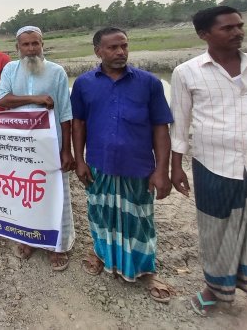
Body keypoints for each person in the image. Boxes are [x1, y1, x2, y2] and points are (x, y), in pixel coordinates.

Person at [170, 6, 247, 316]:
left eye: (239, 26)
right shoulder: (187, 72)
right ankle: (214, 289)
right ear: (204, 35)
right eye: (227, 28)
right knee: (214, 230)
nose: (237, 32)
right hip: (213, 164)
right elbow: (180, 123)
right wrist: (175, 166)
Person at [71, 27, 173, 302]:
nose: (120, 52)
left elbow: (160, 127)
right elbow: (78, 124)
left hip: (137, 166)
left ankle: (145, 270)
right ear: (98, 51)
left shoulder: (149, 83)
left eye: (124, 46)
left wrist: (162, 169)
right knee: (100, 214)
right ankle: (101, 253)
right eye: (113, 48)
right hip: (99, 164)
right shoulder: (83, 84)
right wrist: (79, 160)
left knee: (140, 219)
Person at [0, 25, 75, 271]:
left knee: (55, 193)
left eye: (35, 44)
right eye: (26, 45)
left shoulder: (57, 71)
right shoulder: (10, 69)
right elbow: (1, 99)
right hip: (21, 146)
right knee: (25, 191)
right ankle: (28, 239)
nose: (31, 49)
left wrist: (67, 150)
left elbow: (65, 112)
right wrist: (35, 99)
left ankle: (57, 246)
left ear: (42, 44)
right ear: (18, 47)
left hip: (52, 144)